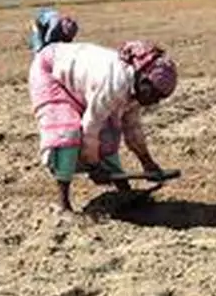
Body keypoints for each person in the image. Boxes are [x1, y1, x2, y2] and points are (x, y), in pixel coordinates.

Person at [28, 39, 177, 213]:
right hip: (50, 73)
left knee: (109, 136)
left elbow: (132, 126)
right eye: (154, 95)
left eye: (159, 98)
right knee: (67, 134)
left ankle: (124, 191)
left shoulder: (137, 87)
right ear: (143, 79)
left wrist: (147, 161)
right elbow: (90, 127)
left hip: (81, 84)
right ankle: (64, 202)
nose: (154, 102)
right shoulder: (115, 84)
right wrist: (94, 165)